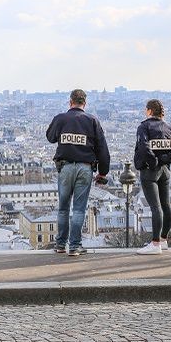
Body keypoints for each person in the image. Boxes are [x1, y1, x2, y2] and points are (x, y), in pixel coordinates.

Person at [46, 89, 110, 256]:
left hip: (65, 167)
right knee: (79, 209)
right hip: (85, 168)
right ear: (85, 103)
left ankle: (60, 244)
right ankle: (75, 246)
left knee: (63, 208)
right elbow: (102, 149)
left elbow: (50, 137)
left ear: (70, 102)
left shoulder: (61, 118)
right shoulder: (92, 120)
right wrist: (103, 172)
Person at [134, 99, 171, 255]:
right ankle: (163, 239)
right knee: (166, 205)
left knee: (155, 207)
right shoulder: (170, 129)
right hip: (165, 171)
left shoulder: (144, 127)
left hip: (150, 171)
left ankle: (155, 244)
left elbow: (143, 147)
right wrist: (163, 161)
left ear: (148, 111)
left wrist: (154, 162)